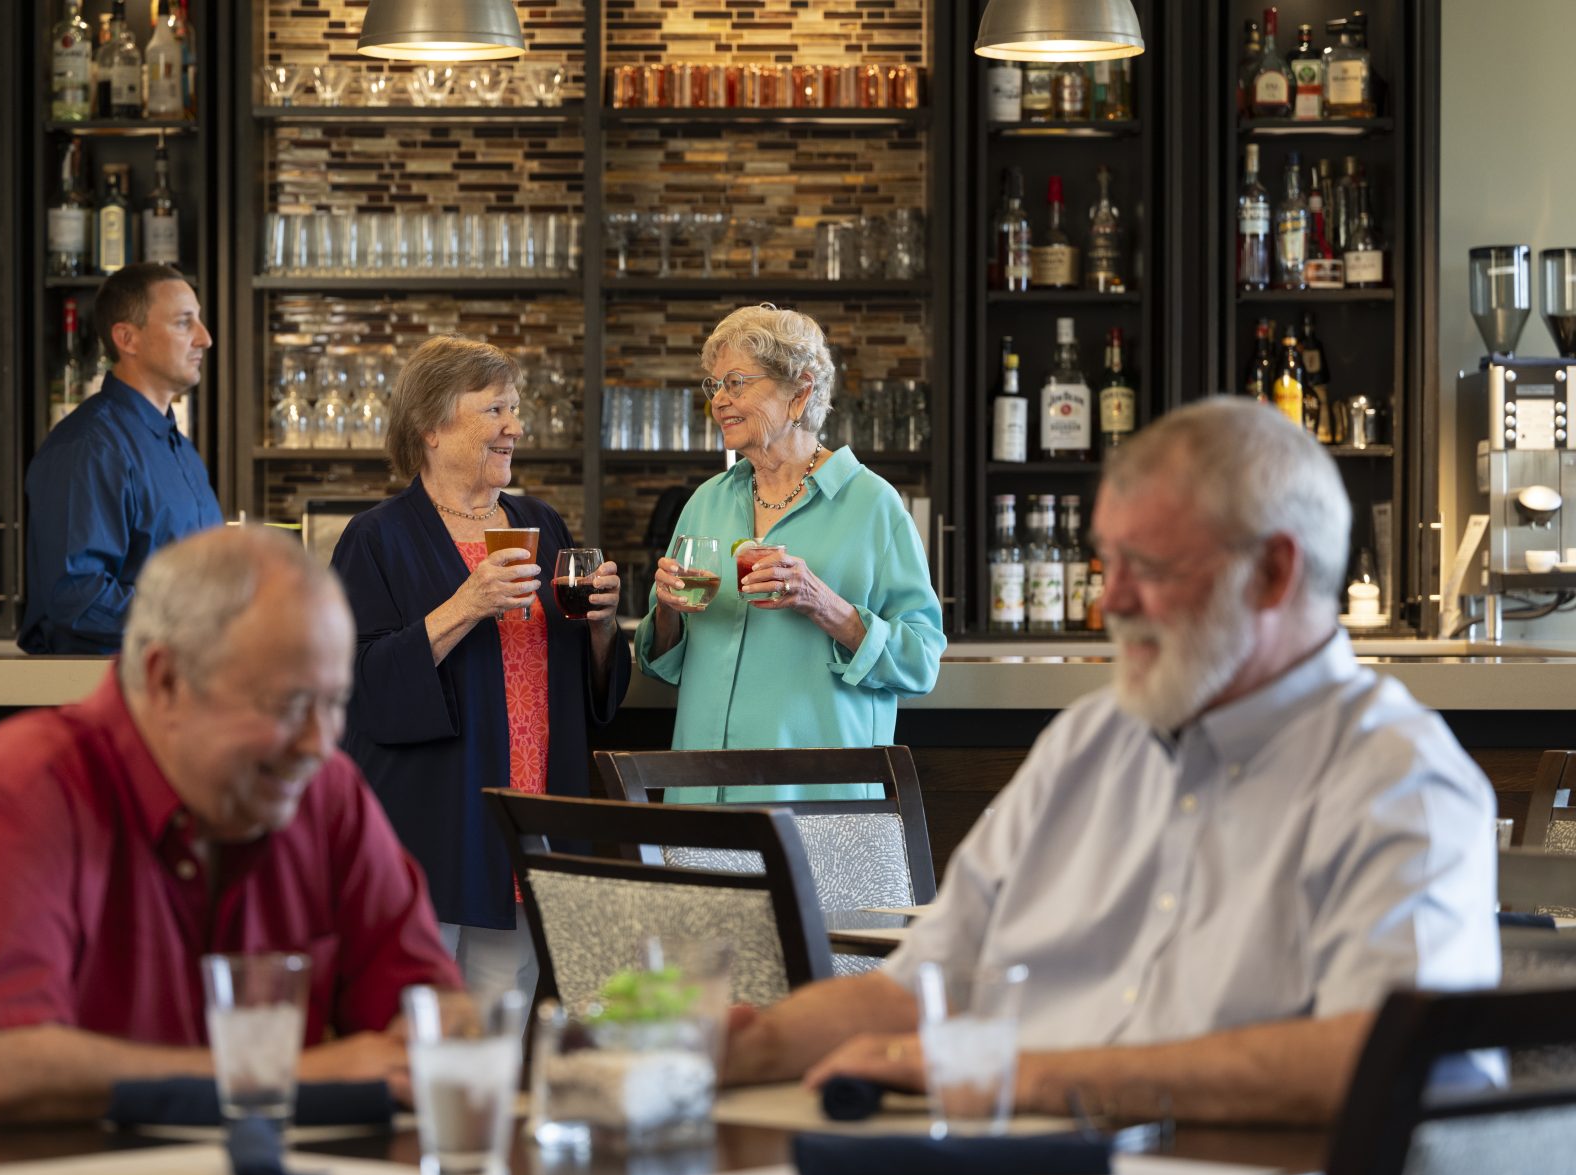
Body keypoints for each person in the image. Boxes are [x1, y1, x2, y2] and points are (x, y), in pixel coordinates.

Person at [726, 398, 1500, 1127]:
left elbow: (1389, 1058)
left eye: (1150, 567)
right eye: (1107, 560)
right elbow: (921, 987)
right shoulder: (1088, 743)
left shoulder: (1397, 778)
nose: (1113, 600)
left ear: (1271, 575)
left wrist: (1024, 1076)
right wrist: (727, 1050)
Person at [0, 525, 460, 1138]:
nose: (318, 744)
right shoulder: (17, 792)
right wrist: (287, 1077)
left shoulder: (326, 794)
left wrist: (440, 1038)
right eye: (286, 705)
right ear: (168, 681)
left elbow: (433, 1006)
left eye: (334, 705)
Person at [330, 336, 629, 1004]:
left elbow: (589, 685)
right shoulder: (375, 538)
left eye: (514, 408)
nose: (514, 426)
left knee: (509, 1003)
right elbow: (360, 682)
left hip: (533, 811)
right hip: (433, 817)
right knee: (419, 1012)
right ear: (431, 427)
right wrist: (465, 605)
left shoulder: (541, 523)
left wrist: (605, 625)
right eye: (494, 409)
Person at [636, 304, 945, 802]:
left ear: (800, 391)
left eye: (736, 382)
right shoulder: (706, 501)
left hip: (817, 802)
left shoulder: (872, 505)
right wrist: (668, 611)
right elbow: (660, 662)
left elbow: (920, 663)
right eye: (714, 386)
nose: (719, 401)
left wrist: (824, 604)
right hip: (701, 792)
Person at [19, 263, 224, 655]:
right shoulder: (89, 446)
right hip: (106, 696)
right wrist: (193, 624)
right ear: (127, 338)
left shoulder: (181, 451)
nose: (205, 338)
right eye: (185, 323)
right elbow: (78, 597)